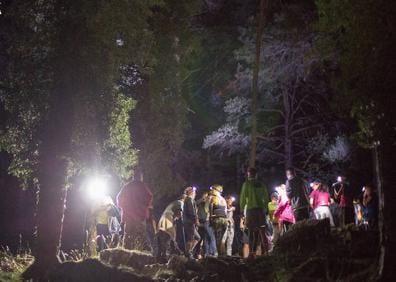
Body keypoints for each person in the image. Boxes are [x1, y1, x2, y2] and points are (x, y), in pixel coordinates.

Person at [117, 170, 153, 250]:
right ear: (141, 177)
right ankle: (142, 257)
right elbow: (149, 197)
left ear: (133, 177)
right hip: (139, 217)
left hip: (128, 217)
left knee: (128, 238)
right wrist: (145, 206)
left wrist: (125, 208)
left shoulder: (126, 187)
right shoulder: (142, 186)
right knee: (141, 238)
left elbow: (119, 199)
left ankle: (126, 258)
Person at [240, 167, 269, 257]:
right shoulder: (261, 184)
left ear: (248, 174)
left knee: (251, 231)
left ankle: (252, 253)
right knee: (262, 231)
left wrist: (241, 210)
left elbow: (243, 198)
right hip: (260, 210)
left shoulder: (246, 184)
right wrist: (266, 209)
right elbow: (266, 197)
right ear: (256, 175)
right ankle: (266, 252)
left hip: (251, 210)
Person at [157, 198, 184, 262]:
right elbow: (178, 212)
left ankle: (161, 257)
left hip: (163, 220)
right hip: (168, 219)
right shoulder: (180, 203)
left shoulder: (174, 202)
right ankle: (167, 256)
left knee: (163, 238)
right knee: (170, 237)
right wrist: (180, 218)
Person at [195, 192, 217, 258]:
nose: (207, 197)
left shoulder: (210, 202)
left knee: (207, 237)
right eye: (206, 196)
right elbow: (196, 203)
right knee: (203, 238)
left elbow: (210, 211)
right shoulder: (201, 202)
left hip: (207, 221)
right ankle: (205, 253)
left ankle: (209, 253)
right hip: (201, 222)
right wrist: (202, 199)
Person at [209, 184, 228, 255]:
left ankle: (220, 255)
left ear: (215, 190)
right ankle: (223, 254)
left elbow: (210, 211)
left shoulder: (213, 199)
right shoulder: (223, 199)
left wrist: (211, 219)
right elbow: (225, 211)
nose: (211, 191)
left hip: (217, 220)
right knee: (222, 239)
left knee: (217, 239)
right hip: (224, 220)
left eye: (212, 189)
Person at [183, 186, 201, 259]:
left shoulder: (188, 200)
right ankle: (188, 253)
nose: (195, 193)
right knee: (191, 238)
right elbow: (192, 212)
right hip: (189, 222)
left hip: (188, 222)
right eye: (194, 192)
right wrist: (196, 220)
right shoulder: (189, 200)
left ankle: (188, 252)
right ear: (191, 193)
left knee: (197, 237)